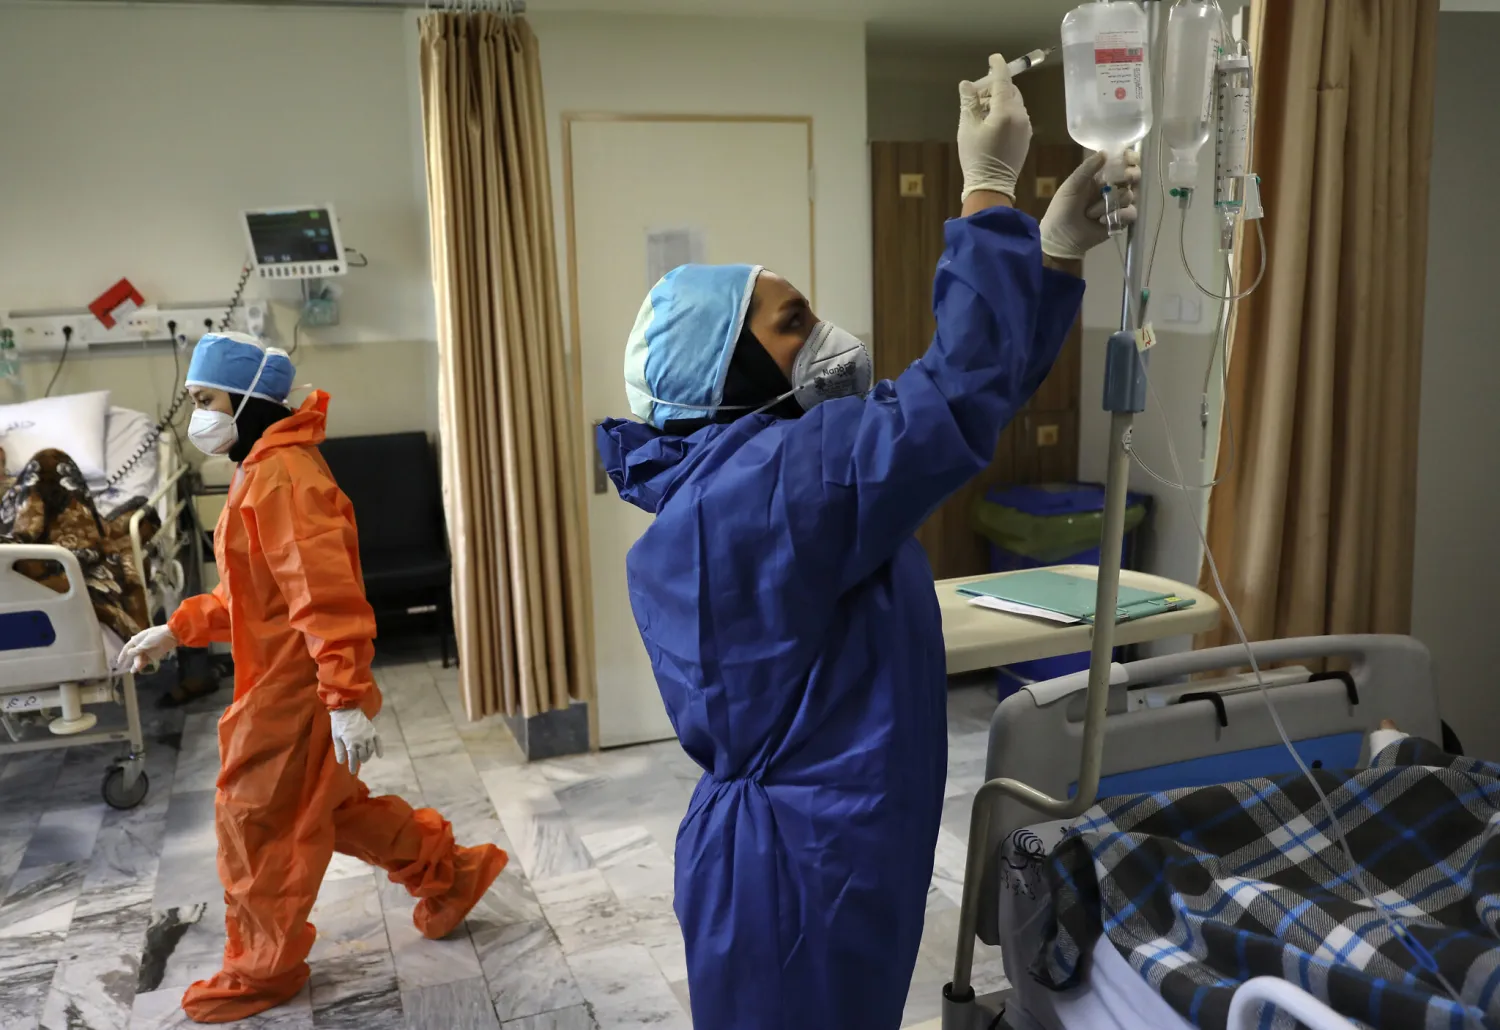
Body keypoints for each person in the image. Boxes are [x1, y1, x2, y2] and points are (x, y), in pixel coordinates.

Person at [595, 56, 1138, 1029]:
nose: (826, 334)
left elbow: (968, 404)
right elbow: (954, 397)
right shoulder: (764, 493)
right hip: (796, 877)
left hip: (833, 845)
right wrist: (988, 195)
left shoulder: (759, 474)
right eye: (792, 321)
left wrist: (1053, 263)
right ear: (726, 368)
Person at [118, 332, 507, 1024]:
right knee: (327, 811)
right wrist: (176, 629)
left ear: (246, 398)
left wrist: (343, 698)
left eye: (205, 399)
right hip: (279, 681)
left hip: (292, 693)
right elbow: (254, 596)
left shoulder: (284, 478)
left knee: (257, 826)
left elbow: (324, 599)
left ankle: (262, 970)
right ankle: (452, 872)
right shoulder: (261, 468)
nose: (196, 416)